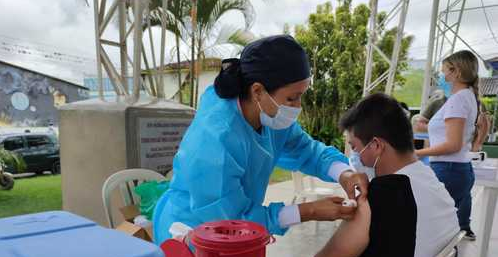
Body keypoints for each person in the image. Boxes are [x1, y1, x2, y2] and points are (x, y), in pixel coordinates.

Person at [267, 93, 459, 257]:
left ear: (377, 145)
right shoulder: (434, 184)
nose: (354, 158)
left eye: (356, 148)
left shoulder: (383, 194)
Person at [153, 35, 369, 244]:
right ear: (258, 91)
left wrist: (344, 173)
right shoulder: (214, 140)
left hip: (239, 233)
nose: (297, 106)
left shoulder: (271, 116)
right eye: (292, 98)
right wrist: (308, 211)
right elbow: (230, 222)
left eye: (301, 95)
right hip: (193, 234)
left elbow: (306, 151)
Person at [415, 50, 480, 257]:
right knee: (447, 229)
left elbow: (451, 144)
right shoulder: (467, 97)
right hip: (457, 170)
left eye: (445, 70)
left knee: (435, 229)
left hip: (448, 170)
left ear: (457, 71)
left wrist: (416, 152)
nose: (442, 75)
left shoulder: (456, 101)